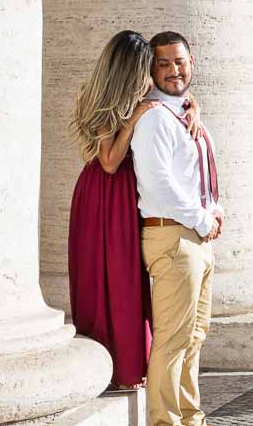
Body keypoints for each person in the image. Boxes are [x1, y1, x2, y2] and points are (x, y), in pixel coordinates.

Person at [67, 30, 201, 390]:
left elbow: (179, 97)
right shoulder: (100, 99)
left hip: (125, 195)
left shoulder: (140, 96)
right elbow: (109, 161)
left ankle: (131, 361)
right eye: (145, 68)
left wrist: (193, 108)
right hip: (104, 196)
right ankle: (113, 366)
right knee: (108, 276)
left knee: (130, 280)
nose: (151, 76)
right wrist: (134, 118)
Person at [131, 30, 233, 426]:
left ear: (192, 62)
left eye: (181, 61)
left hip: (195, 236)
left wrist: (215, 208)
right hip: (172, 235)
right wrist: (199, 218)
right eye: (165, 64)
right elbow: (158, 184)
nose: (175, 71)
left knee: (196, 334)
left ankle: (191, 420)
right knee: (172, 339)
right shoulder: (154, 118)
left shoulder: (184, 113)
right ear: (152, 70)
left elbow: (196, 175)